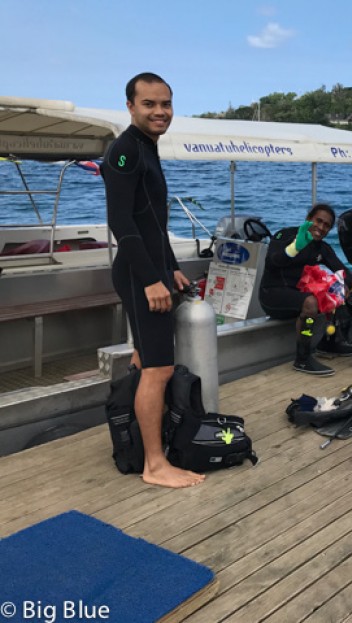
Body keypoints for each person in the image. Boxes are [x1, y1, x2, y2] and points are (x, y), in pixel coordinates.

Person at [101, 72, 205, 488]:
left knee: (147, 360)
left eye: (166, 103)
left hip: (150, 268)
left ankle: (138, 438)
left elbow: (153, 224)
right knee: (159, 370)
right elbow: (121, 222)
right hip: (137, 273)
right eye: (149, 104)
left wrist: (170, 267)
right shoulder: (125, 151)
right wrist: (150, 279)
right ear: (130, 106)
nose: (160, 111)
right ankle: (154, 465)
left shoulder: (147, 148)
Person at [258, 204, 352, 376]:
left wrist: (346, 286)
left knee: (334, 290)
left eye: (326, 225)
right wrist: (295, 247)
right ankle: (303, 359)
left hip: (297, 295)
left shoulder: (322, 248)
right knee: (311, 302)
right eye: (318, 221)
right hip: (272, 295)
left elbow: (343, 271)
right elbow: (274, 261)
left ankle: (328, 343)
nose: (321, 227)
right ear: (308, 219)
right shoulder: (286, 235)